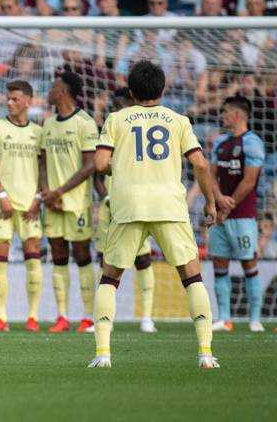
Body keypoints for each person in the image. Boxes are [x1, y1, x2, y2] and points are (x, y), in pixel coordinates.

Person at [91, 60, 218, 369]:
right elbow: (200, 165)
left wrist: (121, 165)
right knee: (192, 276)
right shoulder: (178, 120)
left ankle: (103, 354)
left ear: (131, 91)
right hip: (168, 205)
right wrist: (211, 203)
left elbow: (99, 164)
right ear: (163, 89)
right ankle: (205, 352)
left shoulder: (117, 119)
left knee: (110, 277)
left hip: (128, 204)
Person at [0, 80, 44, 333]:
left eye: (15, 99)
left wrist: (39, 197)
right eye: (8, 98)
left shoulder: (38, 133)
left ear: (28, 102)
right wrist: (2, 194)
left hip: (30, 202)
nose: (9, 102)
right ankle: (2, 318)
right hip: (2, 201)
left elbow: (43, 168)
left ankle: (32, 317)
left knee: (33, 257)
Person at [93, 87, 157, 334]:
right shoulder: (111, 127)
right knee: (105, 260)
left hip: (134, 203)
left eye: (120, 103)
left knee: (142, 259)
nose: (117, 107)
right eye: (115, 103)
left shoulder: (139, 130)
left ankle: (147, 317)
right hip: (111, 205)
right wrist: (106, 196)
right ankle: (102, 317)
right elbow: (96, 172)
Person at [40, 71, 98, 334]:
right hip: (52, 202)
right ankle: (62, 316)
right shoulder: (48, 123)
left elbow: (90, 166)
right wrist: (45, 192)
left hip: (75, 202)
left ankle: (88, 316)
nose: (49, 92)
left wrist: (60, 191)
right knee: (58, 255)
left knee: (82, 255)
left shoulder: (85, 123)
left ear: (63, 91)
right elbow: (42, 161)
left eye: (53, 87)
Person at [209, 96, 265, 333]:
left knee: (249, 264)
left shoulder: (253, 142)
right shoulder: (220, 142)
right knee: (219, 264)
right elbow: (210, 175)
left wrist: (226, 206)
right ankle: (224, 318)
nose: (222, 116)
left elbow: (250, 180)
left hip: (242, 216)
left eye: (226, 112)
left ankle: (255, 319)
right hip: (221, 215)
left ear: (238, 115)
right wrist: (217, 200)